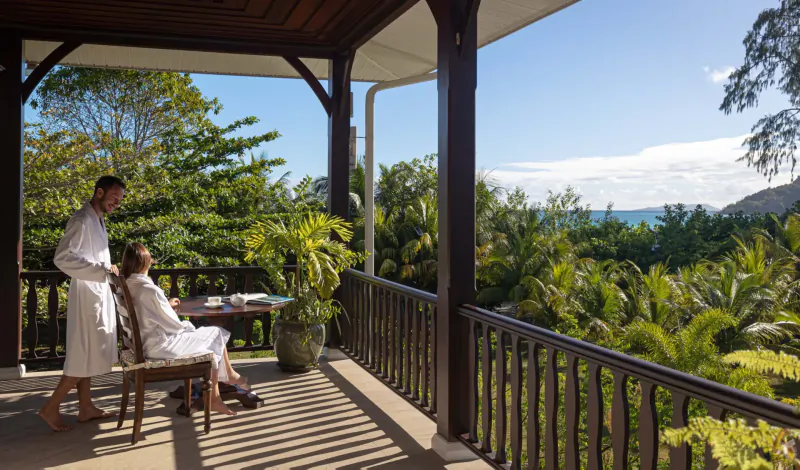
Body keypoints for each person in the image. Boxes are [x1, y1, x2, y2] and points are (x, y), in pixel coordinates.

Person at [39, 176, 126, 432]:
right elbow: (63, 258)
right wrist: (101, 270)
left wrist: (105, 270)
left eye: (120, 201)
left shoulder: (98, 221)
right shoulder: (81, 220)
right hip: (87, 295)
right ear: (99, 192)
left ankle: (85, 407)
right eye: (113, 198)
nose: (116, 204)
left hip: (97, 293)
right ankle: (50, 407)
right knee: (82, 355)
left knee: (88, 352)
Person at [120, 242, 247, 416]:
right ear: (145, 263)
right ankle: (223, 387)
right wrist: (177, 317)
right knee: (216, 332)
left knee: (213, 334)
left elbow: (148, 313)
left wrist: (166, 305)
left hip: (144, 344)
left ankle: (221, 390)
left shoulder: (127, 285)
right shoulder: (148, 289)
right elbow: (173, 324)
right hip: (160, 347)